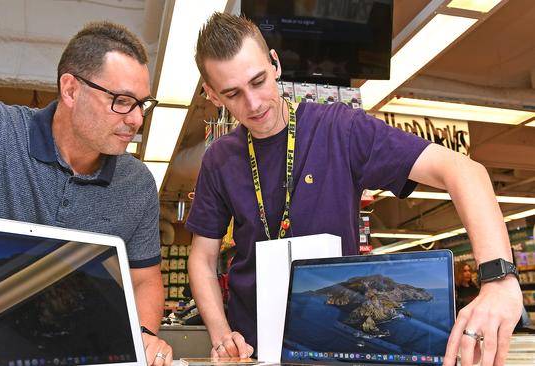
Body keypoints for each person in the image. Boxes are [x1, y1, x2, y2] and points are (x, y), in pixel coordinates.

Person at [185, 12, 522, 366]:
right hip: (251, 349)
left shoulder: (340, 129)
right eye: (233, 93)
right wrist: (222, 335)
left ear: (275, 64)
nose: (253, 104)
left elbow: (463, 171)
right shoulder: (220, 158)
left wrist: (499, 278)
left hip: (337, 347)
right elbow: (202, 257)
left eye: (258, 81)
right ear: (212, 94)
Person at [0, 21, 173, 366]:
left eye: (143, 104)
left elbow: (145, 280)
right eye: (123, 101)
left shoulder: (138, 183)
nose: (137, 119)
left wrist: (143, 335)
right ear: (70, 90)